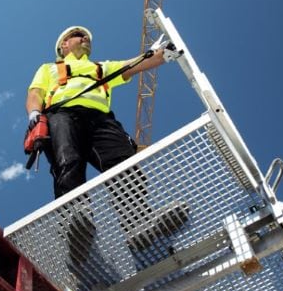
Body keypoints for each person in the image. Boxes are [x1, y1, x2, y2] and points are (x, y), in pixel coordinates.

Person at [25, 25, 180, 199]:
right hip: (61, 116)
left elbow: (133, 64)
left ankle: (141, 218)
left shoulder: (101, 68)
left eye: (87, 37)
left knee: (123, 163)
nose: (85, 38)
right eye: (78, 35)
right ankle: (76, 217)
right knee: (67, 160)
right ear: (64, 45)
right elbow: (36, 93)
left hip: (100, 120)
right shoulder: (48, 68)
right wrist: (35, 114)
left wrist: (164, 53)